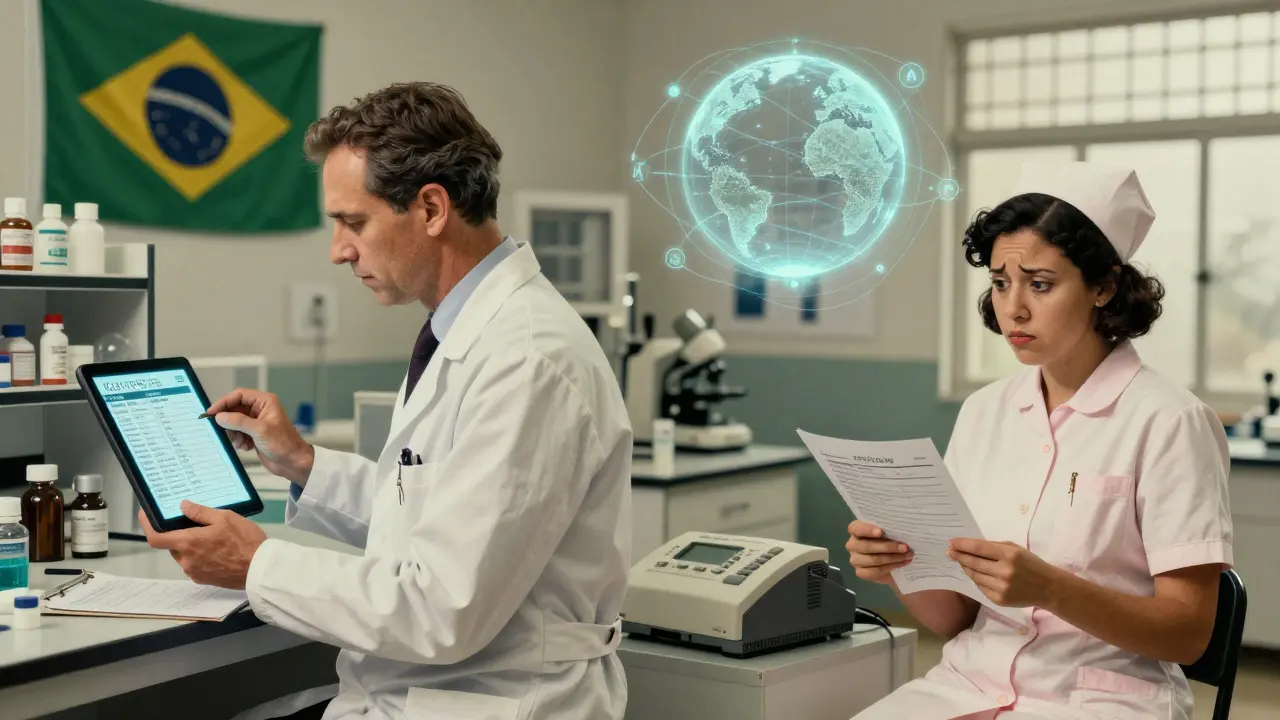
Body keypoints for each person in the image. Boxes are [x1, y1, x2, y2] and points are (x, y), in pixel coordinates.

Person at [138, 82, 633, 720]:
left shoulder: (527, 359)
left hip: (496, 701)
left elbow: (441, 609)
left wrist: (255, 562)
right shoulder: (463, 331)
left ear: (430, 208)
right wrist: (301, 463)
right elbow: (432, 520)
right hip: (419, 694)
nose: (339, 250)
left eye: (354, 222)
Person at [847, 161, 1232, 720]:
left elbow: (1188, 635)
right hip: (969, 684)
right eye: (1001, 283)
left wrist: (1050, 588)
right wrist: (899, 567)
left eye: (1041, 284)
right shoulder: (984, 413)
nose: (1014, 308)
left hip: (1101, 699)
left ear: (1104, 286)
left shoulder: (1171, 422)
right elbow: (954, 618)